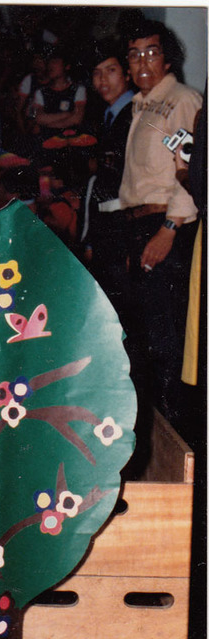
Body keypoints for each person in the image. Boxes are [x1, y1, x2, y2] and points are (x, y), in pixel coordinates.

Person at [118, 19, 202, 447]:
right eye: (134, 54)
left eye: (151, 52)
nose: (142, 61)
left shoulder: (181, 100)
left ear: (168, 57)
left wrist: (169, 229)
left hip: (166, 227)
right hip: (140, 228)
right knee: (148, 345)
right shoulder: (143, 104)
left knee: (166, 347)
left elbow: (188, 176)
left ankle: (177, 448)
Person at [80, 38, 133, 310]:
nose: (103, 80)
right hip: (108, 226)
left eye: (111, 70)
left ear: (126, 73)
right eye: (97, 73)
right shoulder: (108, 115)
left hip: (124, 227)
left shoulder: (134, 114)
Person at [31, 46, 87, 138]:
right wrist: (67, 114)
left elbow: (76, 119)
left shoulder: (78, 89)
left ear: (67, 66)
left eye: (55, 62)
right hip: (48, 140)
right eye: (49, 62)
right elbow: (39, 118)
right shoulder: (41, 92)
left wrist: (49, 124)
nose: (50, 65)